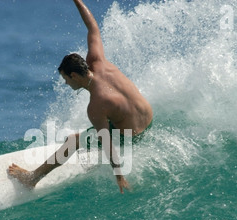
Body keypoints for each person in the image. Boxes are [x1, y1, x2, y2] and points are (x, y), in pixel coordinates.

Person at [8, 0, 153, 194]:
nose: (67, 84)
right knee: (101, 130)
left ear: (74, 75)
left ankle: (32, 178)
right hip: (148, 119)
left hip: (132, 135)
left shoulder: (96, 106)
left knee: (73, 140)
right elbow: (92, 26)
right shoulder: (97, 60)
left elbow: (108, 142)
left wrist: (119, 175)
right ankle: (91, 156)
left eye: (66, 79)